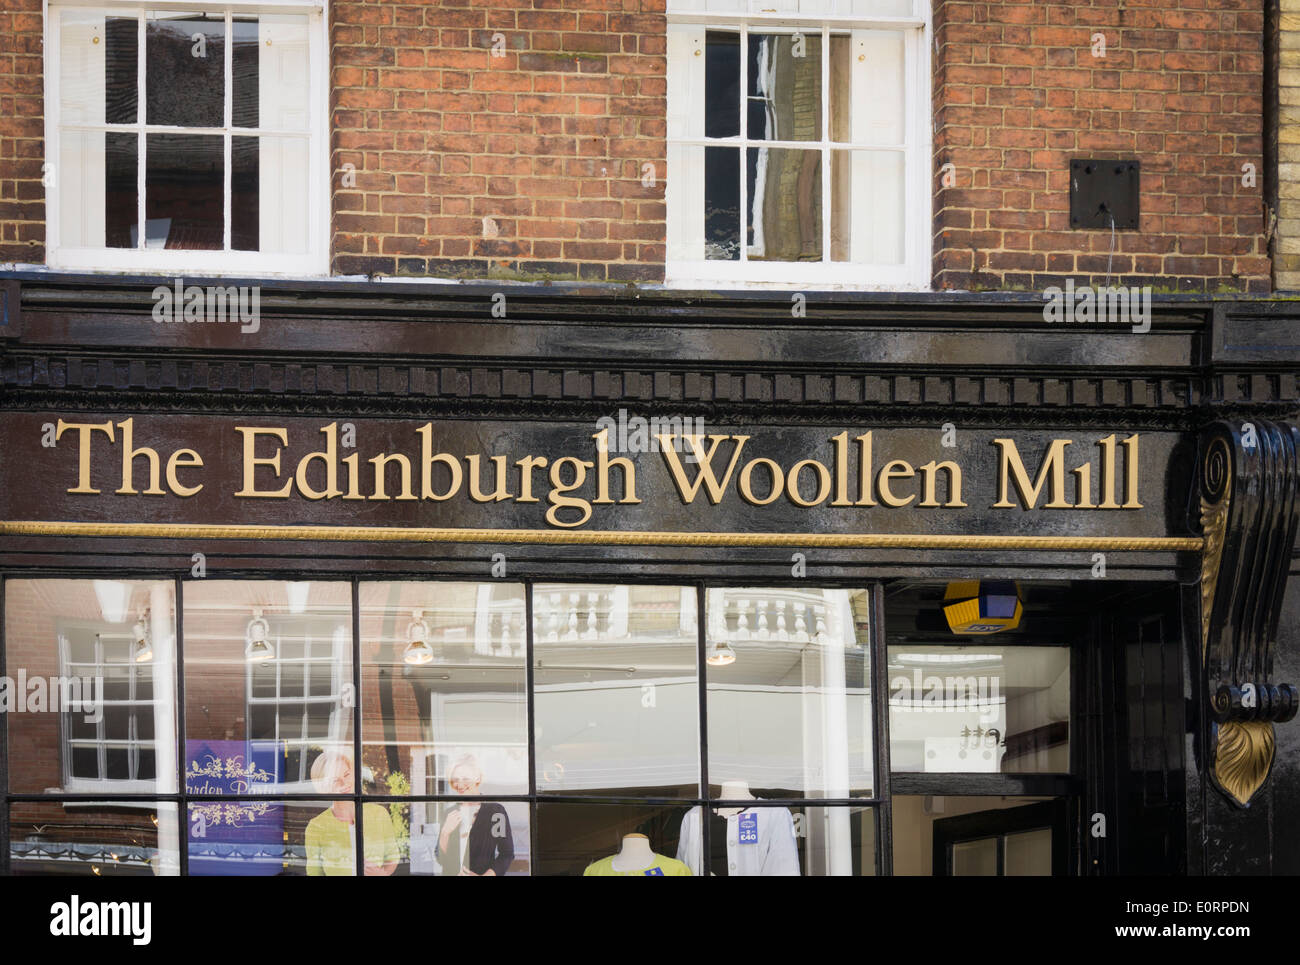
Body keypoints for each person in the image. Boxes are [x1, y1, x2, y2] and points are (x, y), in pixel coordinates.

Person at [304, 749, 400, 876]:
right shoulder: (316, 826)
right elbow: (314, 873)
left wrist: (382, 874)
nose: (345, 783)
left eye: (347, 774)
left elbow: (392, 856)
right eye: (335, 780)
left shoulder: (379, 814)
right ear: (323, 787)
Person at [435, 755, 514, 876]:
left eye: (465, 778)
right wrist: (445, 833)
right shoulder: (449, 813)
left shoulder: (495, 812)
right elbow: (440, 858)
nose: (459, 785)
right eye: (455, 779)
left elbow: (506, 854)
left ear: (477, 778)